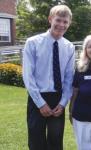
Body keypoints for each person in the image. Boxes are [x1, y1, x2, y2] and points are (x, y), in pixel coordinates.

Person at [23, 5, 75, 150]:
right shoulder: (32, 43)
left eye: (65, 22)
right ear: (50, 19)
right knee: (36, 140)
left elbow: (69, 78)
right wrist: (40, 103)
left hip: (58, 99)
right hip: (37, 98)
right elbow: (28, 75)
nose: (61, 25)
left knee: (56, 141)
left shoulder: (69, 47)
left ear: (69, 23)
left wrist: (63, 102)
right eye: (58, 20)